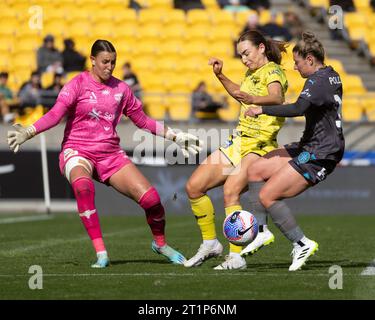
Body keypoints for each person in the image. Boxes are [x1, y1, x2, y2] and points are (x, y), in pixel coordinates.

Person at [7, 39, 203, 268]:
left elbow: (143, 121)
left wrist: (175, 137)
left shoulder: (121, 89)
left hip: (110, 154)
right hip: (77, 150)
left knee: (152, 201)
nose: (109, 67)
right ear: (92, 60)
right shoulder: (76, 84)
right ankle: (102, 254)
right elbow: (55, 114)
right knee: (83, 187)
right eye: (105, 62)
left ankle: (160, 244)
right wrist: (28, 132)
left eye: (113, 62)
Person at [184, 30, 288, 270]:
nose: (244, 59)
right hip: (239, 140)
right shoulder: (251, 72)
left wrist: (252, 98)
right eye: (241, 55)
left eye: (247, 53)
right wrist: (220, 76)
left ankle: (236, 257)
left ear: (261, 48)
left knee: (231, 190)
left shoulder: (273, 71)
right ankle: (210, 243)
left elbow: (277, 98)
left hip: (259, 145)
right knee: (194, 187)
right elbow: (240, 95)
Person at [241, 32, 344, 271]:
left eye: (297, 63)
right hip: (309, 144)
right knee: (255, 169)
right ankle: (262, 232)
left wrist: (261, 110)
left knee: (267, 196)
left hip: (319, 153)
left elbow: (298, 108)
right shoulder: (331, 75)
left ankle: (301, 243)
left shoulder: (317, 82)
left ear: (310, 59)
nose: (295, 68)